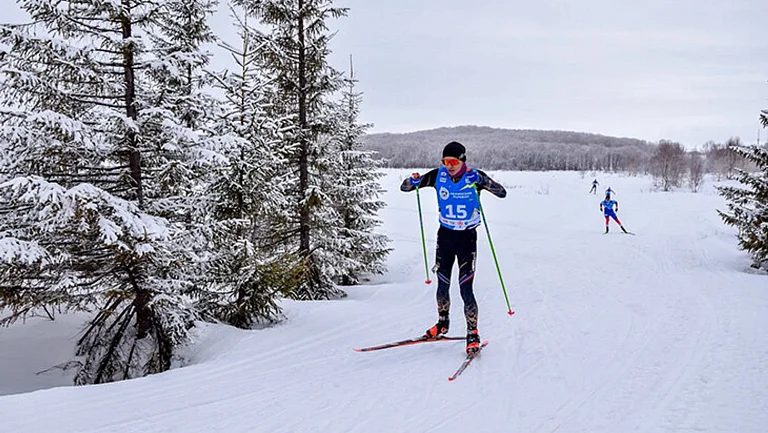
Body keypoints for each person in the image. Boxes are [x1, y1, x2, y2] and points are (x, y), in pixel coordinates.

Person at [400, 141, 507, 355]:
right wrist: (412, 181)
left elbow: (502, 192)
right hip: (445, 237)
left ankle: (473, 333)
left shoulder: (473, 176)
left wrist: (482, 181)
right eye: (445, 161)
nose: (449, 166)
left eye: (453, 161)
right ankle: (442, 324)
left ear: (463, 160)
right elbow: (405, 187)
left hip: (467, 239)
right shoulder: (438, 175)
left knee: (465, 289)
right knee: (442, 285)